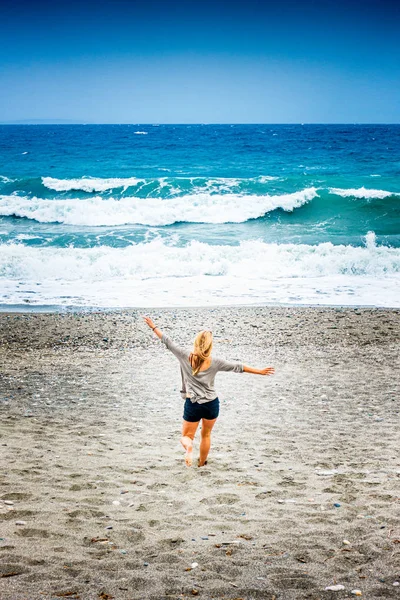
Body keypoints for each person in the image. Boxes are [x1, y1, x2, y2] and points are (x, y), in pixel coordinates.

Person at [143, 316, 275, 467]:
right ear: (210, 346)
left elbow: (167, 341)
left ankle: (189, 447)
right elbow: (239, 367)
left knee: (186, 436)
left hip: (193, 404)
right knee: (206, 435)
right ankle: (201, 463)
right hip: (212, 404)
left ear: (196, 343)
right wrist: (260, 371)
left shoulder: (184, 355)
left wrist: (153, 327)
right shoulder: (215, 362)